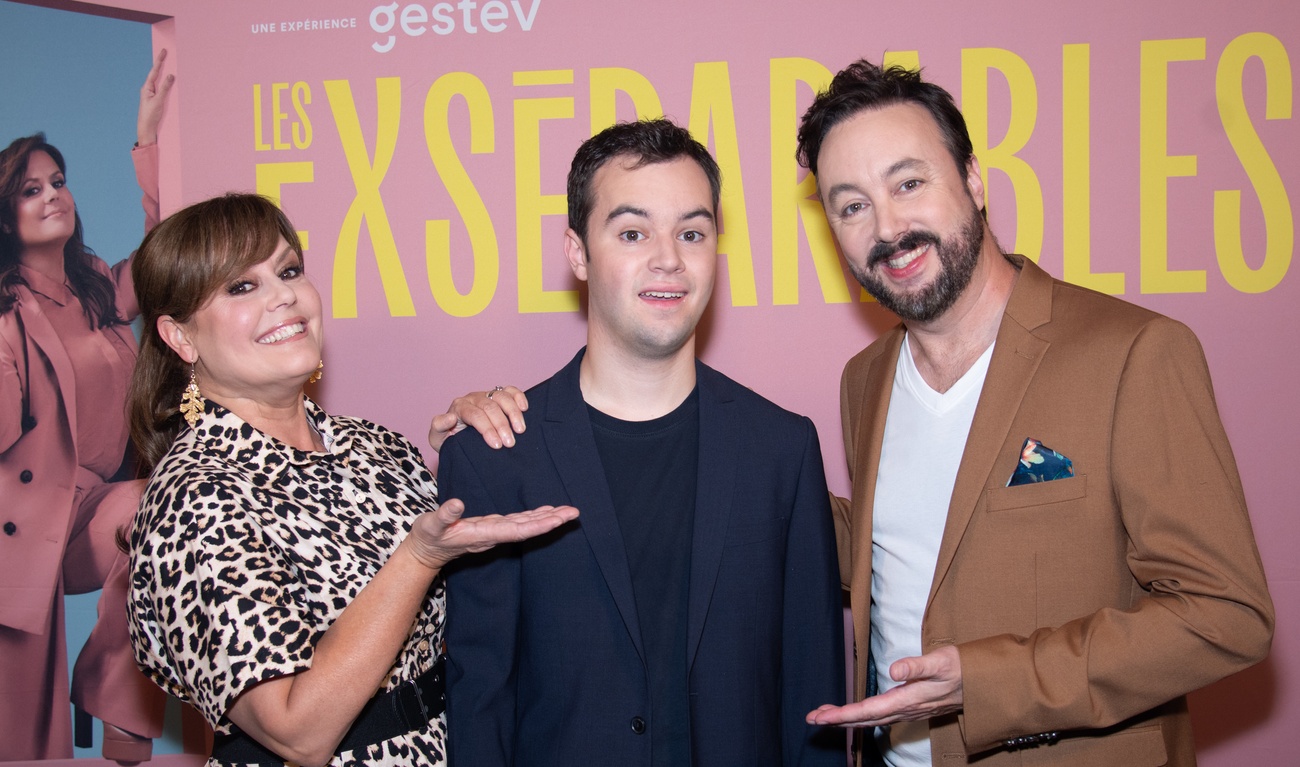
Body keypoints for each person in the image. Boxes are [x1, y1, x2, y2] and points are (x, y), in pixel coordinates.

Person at [794, 60, 1274, 766]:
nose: (888, 226)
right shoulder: (863, 379)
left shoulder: (1133, 352)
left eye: (908, 183)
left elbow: (1226, 614)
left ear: (974, 179)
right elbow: (911, 542)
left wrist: (989, 682)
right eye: (852, 204)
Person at [436, 118, 845, 766]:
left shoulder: (782, 449)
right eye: (632, 232)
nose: (668, 258)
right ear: (577, 252)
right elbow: (479, 708)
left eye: (692, 231)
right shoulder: (492, 456)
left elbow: (814, 703)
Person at [124, 193, 577, 767]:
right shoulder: (192, 496)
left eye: (288, 271)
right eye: (242, 286)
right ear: (180, 337)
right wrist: (417, 557)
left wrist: (472, 455)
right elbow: (296, 731)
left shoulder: (375, 445)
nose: (283, 294)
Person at [0, 50, 173, 762]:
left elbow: (167, 247)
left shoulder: (98, 286)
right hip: (24, 524)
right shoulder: (7, 316)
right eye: (31, 188)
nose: (53, 196)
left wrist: (151, 140)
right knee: (23, 737)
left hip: (93, 507)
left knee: (162, 511)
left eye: (59, 181)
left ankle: (115, 706)